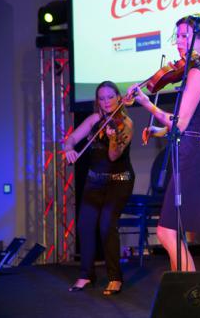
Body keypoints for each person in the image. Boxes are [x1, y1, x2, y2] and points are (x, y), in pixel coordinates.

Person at [128, 13, 200, 271]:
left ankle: (191, 294)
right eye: (178, 36)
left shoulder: (199, 73)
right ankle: (183, 293)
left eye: (185, 36)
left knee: (165, 232)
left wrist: (147, 104)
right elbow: (194, 122)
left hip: (196, 155)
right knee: (173, 230)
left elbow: (181, 122)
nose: (178, 42)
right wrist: (160, 130)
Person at [64, 81, 134, 295]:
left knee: (106, 225)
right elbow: (73, 137)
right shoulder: (95, 119)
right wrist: (68, 148)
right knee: (85, 226)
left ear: (118, 97)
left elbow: (114, 156)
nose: (106, 102)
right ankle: (86, 275)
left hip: (119, 181)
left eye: (110, 97)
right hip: (95, 181)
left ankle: (115, 277)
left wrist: (113, 138)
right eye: (101, 98)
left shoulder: (126, 123)